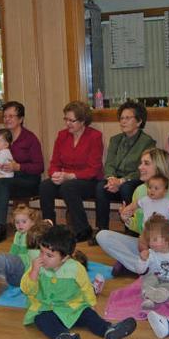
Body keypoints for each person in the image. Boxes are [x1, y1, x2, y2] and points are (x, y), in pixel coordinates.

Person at [21, 225, 137, 339]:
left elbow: (86, 287)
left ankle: (109, 330)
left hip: (72, 308)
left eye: (49, 255)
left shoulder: (76, 268)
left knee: (88, 314)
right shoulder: (36, 267)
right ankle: (63, 336)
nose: (43, 257)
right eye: (41, 252)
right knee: (41, 319)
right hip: (45, 308)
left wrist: (91, 303)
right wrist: (34, 273)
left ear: (65, 258)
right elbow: (27, 290)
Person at [96, 148, 169, 273]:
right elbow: (140, 228)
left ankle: (150, 267)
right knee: (103, 236)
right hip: (148, 246)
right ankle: (142, 267)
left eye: (146, 163)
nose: (140, 167)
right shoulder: (139, 191)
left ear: (159, 167)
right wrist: (127, 219)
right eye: (141, 163)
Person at [0, 101, 44, 244]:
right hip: (6, 178)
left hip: (27, 180)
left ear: (21, 119)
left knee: (0, 182)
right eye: (5, 116)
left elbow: (39, 167)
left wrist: (18, 167)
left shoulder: (29, 138)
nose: (7, 119)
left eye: (11, 116)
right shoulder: (1, 138)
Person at [39, 101, 104, 243]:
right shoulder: (62, 135)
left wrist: (69, 176)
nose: (67, 123)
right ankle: (49, 227)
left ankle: (83, 228)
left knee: (68, 187)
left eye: (72, 120)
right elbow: (54, 163)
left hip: (89, 181)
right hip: (65, 179)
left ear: (83, 121)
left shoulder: (95, 136)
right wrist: (55, 174)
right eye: (66, 119)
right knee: (45, 186)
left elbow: (94, 169)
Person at [94, 101, 156, 242]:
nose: (123, 121)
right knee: (100, 187)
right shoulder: (115, 140)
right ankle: (101, 229)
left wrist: (121, 181)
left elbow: (142, 169)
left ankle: (131, 230)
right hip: (115, 180)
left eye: (128, 118)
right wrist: (111, 179)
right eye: (121, 118)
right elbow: (109, 163)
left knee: (128, 188)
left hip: (133, 180)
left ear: (139, 121)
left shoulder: (147, 142)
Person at [0, 205, 45, 298]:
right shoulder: (17, 234)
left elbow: (27, 257)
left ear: (32, 222)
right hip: (16, 273)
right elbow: (13, 252)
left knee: (0, 258)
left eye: (24, 222)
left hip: (26, 270)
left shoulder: (32, 235)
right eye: (17, 222)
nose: (20, 225)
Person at [134, 216, 169, 310]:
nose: (151, 243)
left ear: (167, 238)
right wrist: (142, 260)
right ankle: (151, 297)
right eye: (149, 240)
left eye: (155, 239)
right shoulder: (151, 253)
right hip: (155, 281)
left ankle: (152, 297)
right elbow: (140, 271)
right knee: (148, 278)